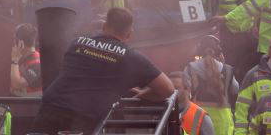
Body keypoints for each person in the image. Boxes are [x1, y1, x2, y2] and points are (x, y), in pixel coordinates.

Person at [31, 7, 174, 135]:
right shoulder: (132, 57)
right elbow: (167, 89)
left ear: (104, 26)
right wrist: (144, 95)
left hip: (50, 108)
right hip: (83, 118)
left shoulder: (76, 43)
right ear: (130, 34)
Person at [182, 36, 235, 135]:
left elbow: (184, 92)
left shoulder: (190, 68)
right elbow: (235, 90)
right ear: (219, 51)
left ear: (199, 50)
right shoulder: (227, 69)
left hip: (197, 118)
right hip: (222, 121)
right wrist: (223, 64)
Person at [10, 23, 42, 96]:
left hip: (33, 106)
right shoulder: (24, 59)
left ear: (20, 42)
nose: (14, 43)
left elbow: (17, 84)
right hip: (23, 105)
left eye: (14, 39)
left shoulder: (37, 62)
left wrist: (14, 60)